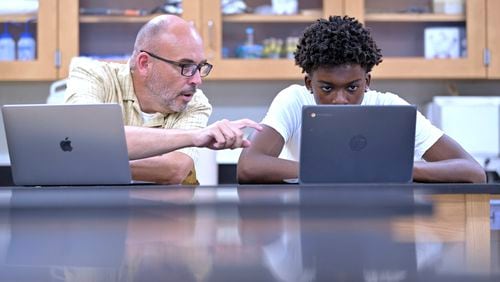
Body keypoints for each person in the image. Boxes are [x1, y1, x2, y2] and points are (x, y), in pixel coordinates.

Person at [237, 15, 486, 184]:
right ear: (308, 84)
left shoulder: (390, 108)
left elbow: (474, 172)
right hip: (310, 219)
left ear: (367, 82)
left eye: (352, 87)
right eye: (326, 88)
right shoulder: (292, 100)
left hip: (378, 225)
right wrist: (341, 171)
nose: (340, 100)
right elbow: (249, 166)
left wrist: (395, 170)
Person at [65, 15, 261, 185]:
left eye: (200, 67)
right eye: (185, 65)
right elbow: (87, 136)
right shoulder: (91, 74)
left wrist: (88, 159)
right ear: (144, 64)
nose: (197, 80)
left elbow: (174, 169)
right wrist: (195, 136)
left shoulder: (195, 102)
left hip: (166, 221)